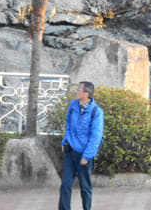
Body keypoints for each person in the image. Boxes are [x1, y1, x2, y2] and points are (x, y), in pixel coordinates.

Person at [58, 81, 104, 210]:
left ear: (86, 94)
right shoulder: (73, 105)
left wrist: (87, 156)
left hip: (84, 154)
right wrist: (65, 141)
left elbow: (96, 136)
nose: (76, 91)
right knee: (66, 184)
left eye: (79, 90)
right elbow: (68, 124)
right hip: (70, 151)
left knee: (85, 187)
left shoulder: (96, 112)